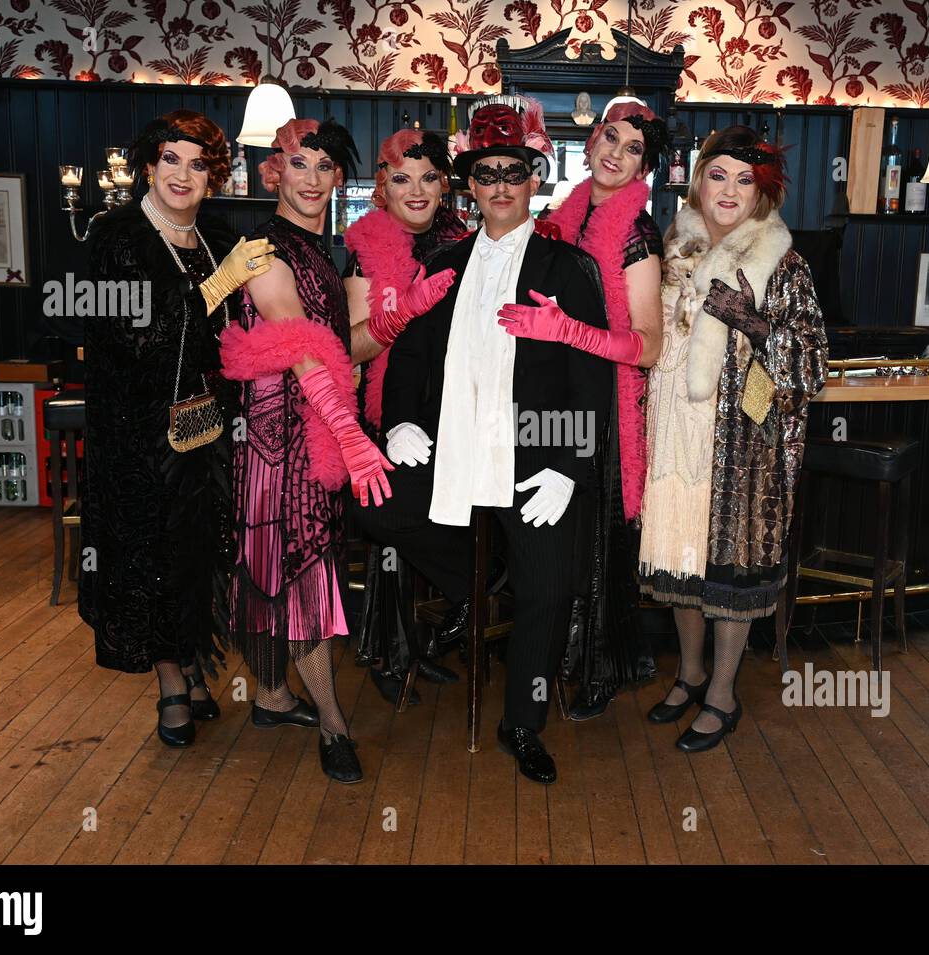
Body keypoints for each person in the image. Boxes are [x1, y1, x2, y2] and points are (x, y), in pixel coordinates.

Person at [352, 96, 614, 784]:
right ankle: (481, 582)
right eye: (487, 173)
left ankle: (523, 721)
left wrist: (568, 466)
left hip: (535, 452)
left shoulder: (568, 271)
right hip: (454, 450)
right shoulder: (443, 259)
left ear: (535, 178)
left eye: (513, 171)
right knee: (373, 503)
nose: (500, 185)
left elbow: (592, 378)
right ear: (470, 183)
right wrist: (401, 419)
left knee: (551, 590)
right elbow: (405, 353)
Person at [81, 110, 274, 748]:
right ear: (148, 164)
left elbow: (237, 334)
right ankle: (170, 685)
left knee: (200, 554)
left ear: (214, 175)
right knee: (152, 558)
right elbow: (142, 340)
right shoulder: (117, 237)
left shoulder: (217, 237)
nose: (182, 174)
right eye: (171, 159)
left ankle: (193, 666)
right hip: (137, 440)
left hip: (207, 434)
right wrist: (218, 287)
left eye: (197, 163)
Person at [218, 118, 397, 783]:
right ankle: (332, 723)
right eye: (300, 164)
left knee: (295, 560)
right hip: (278, 434)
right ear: (275, 172)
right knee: (302, 566)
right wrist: (348, 434)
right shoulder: (259, 247)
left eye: (326, 167)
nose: (313, 178)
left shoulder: (329, 252)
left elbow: (344, 345)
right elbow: (296, 341)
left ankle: (271, 696)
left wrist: (396, 318)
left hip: (314, 422)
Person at [639, 126, 828, 752]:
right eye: (717, 175)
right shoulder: (674, 248)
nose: (728, 190)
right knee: (682, 556)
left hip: (739, 442)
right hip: (674, 428)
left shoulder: (782, 264)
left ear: (762, 192)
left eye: (744, 179)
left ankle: (722, 693)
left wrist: (748, 319)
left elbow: (811, 365)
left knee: (728, 565)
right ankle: (689, 673)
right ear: (698, 181)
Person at [499, 98, 665, 720]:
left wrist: (569, 331)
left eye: (632, 150)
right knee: (564, 547)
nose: (614, 155)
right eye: (610, 139)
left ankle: (598, 670)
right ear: (593, 139)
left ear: (643, 166)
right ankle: (561, 663)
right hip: (562, 399)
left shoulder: (638, 234)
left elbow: (647, 348)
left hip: (611, 407)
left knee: (596, 546)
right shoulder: (565, 215)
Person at [342, 129, 466, 703]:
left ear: (444, 186)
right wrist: (406, 313)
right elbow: (352, 347)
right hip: (376, 410)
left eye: (428, 178)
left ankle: (419, 643)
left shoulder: (464, 244)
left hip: (447, 411)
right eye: (400, 179)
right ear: (381, 191)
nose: (415, 190)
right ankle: (392, 653)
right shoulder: (364, 249)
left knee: (446, 514)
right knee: (387, 520)